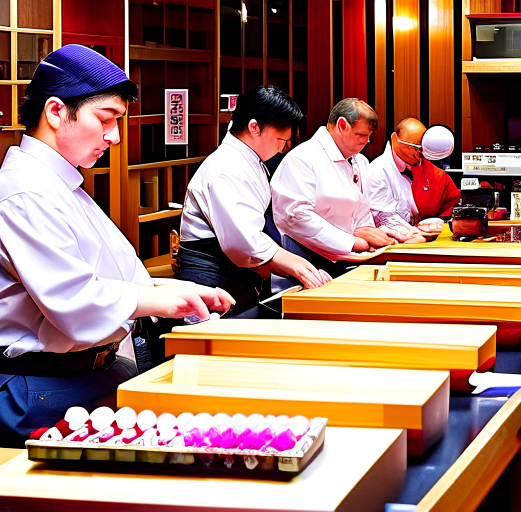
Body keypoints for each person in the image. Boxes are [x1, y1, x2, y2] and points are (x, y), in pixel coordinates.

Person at [0, 45, 234, 447]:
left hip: (93, 371)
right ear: (56, 112)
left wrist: (177, 289)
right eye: (106, 119)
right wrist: (165, 302)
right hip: (42, 385)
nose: (115, 136)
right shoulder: (23, 191)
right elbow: (74, 300)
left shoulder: (62, 184)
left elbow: (116, 277)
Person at [178, 86, 331, 318]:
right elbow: (244, 242)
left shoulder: (248, 160)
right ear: (254, 127)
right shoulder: (226, 167)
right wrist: (298, 266)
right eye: (281, 140)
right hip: (212, 279)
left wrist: (298, 267)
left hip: (235, 278)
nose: (283, 148)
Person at [271, 98, 395, 275]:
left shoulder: (361, 161)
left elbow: (362, 210)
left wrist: (370, 236)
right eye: (361, 135)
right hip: (306, 258)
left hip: (352, 256)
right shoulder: (303, 158)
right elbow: (296, 217)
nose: (367, 141)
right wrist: (351, 241)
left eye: (369, 135)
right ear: (343, 125)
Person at [365, 119, 459, 241]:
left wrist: (441, 222)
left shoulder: (435, 173)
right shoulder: (377, 171)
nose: (419, 153)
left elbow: (454, 205)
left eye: (422, 149)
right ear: (395, 139)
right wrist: (414, 232)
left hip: (431, 240)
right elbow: (382, 216)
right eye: (416, 148)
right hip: (395, 241)